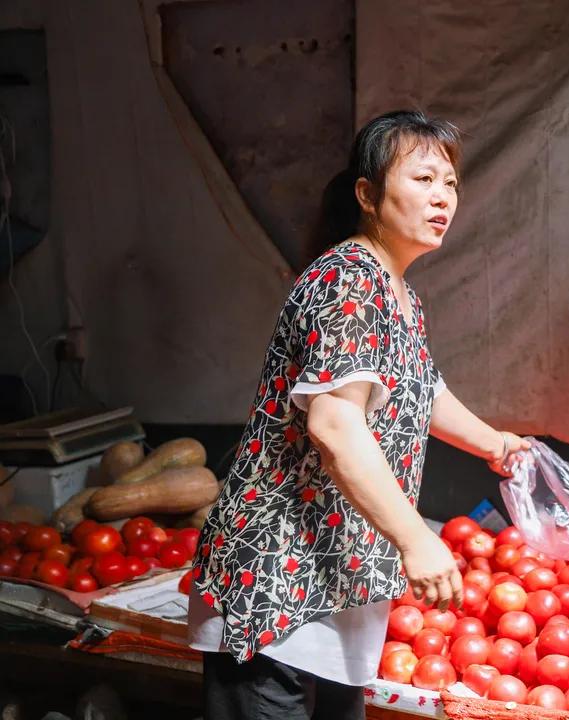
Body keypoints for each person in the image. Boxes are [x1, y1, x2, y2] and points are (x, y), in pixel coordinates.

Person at [188, 110, 530, 720]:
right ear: (368, 196)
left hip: (332, 570)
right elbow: (335, 425)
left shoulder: (397, 292)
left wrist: (494, 442)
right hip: (277, 578)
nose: (442, 197)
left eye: (450, 183)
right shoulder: (347, 280)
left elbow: (418, 392)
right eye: (423, 179)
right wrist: (416, 539)